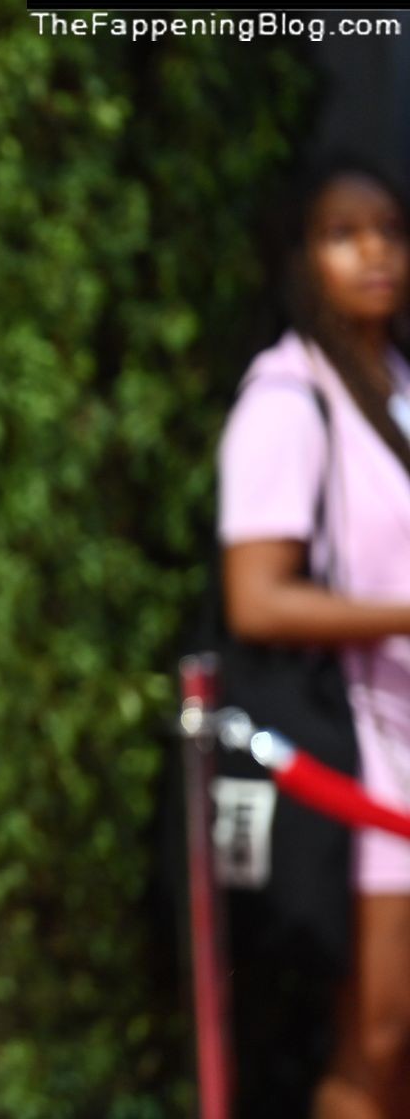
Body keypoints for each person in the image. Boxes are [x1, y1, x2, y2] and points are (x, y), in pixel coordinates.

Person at [219, 161, 410, 1119]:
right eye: (343, 233)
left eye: (389, 230)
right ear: (302, 256)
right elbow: (256, 599)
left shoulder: (397, 381)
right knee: (376, 1040)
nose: (375, 253)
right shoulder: (287, 398)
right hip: (363, 760)